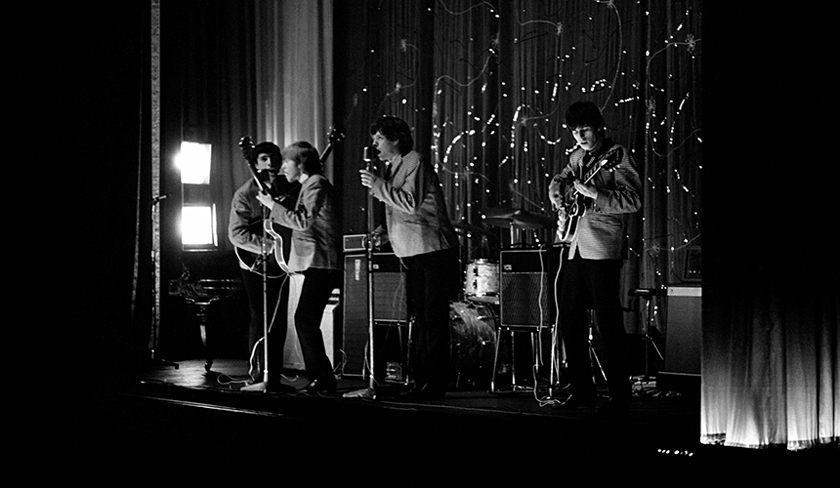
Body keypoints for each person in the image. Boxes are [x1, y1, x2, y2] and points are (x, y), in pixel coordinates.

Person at [548, 101, 642, 414]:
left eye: (585, 130)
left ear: (599, 126)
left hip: (602, 247)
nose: (581, 137)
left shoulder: (617, 155)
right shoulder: (576, 157)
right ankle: (581, 391)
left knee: (608, 323)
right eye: (575, 132)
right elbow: (561, 180)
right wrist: (557, 192)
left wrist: (595, 195)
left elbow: (633, 200)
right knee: (570, 319)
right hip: (575, 245)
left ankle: (619, 395)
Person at [359, 116, 460, 400]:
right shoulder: (394, 167)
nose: (375, 144)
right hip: (413, 250)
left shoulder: (415, 161)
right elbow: (400, 210)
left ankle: (434, 383)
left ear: (397, 139)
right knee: (420, 319)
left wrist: (378, 185)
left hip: (432, 249)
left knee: (433, 318)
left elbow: (410, 203)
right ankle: (420, 380)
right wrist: (383, 233)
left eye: (380, 138)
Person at [256, 141, 341, 394]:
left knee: (304, 319)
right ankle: (322, 379)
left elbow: (303, 221)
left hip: (322, 262)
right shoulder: (310, 184)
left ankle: (323, 379)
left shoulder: (315, 184)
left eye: (286, 162)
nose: (282, 168)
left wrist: (273, 206)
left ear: (300, 164)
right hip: (317, 263)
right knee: (305, 320)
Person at [228, 141, 295, 389]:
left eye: (275, 158)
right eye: (265, 159)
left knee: (278, 319)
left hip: (281, 264)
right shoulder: (245, 194)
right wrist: (269, 247)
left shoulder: (288, 188)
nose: (271, 164)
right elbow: (237, 234)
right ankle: (258, 374)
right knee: (261, 317)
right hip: (255, 264)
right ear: (255, 164)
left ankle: (273, 375)